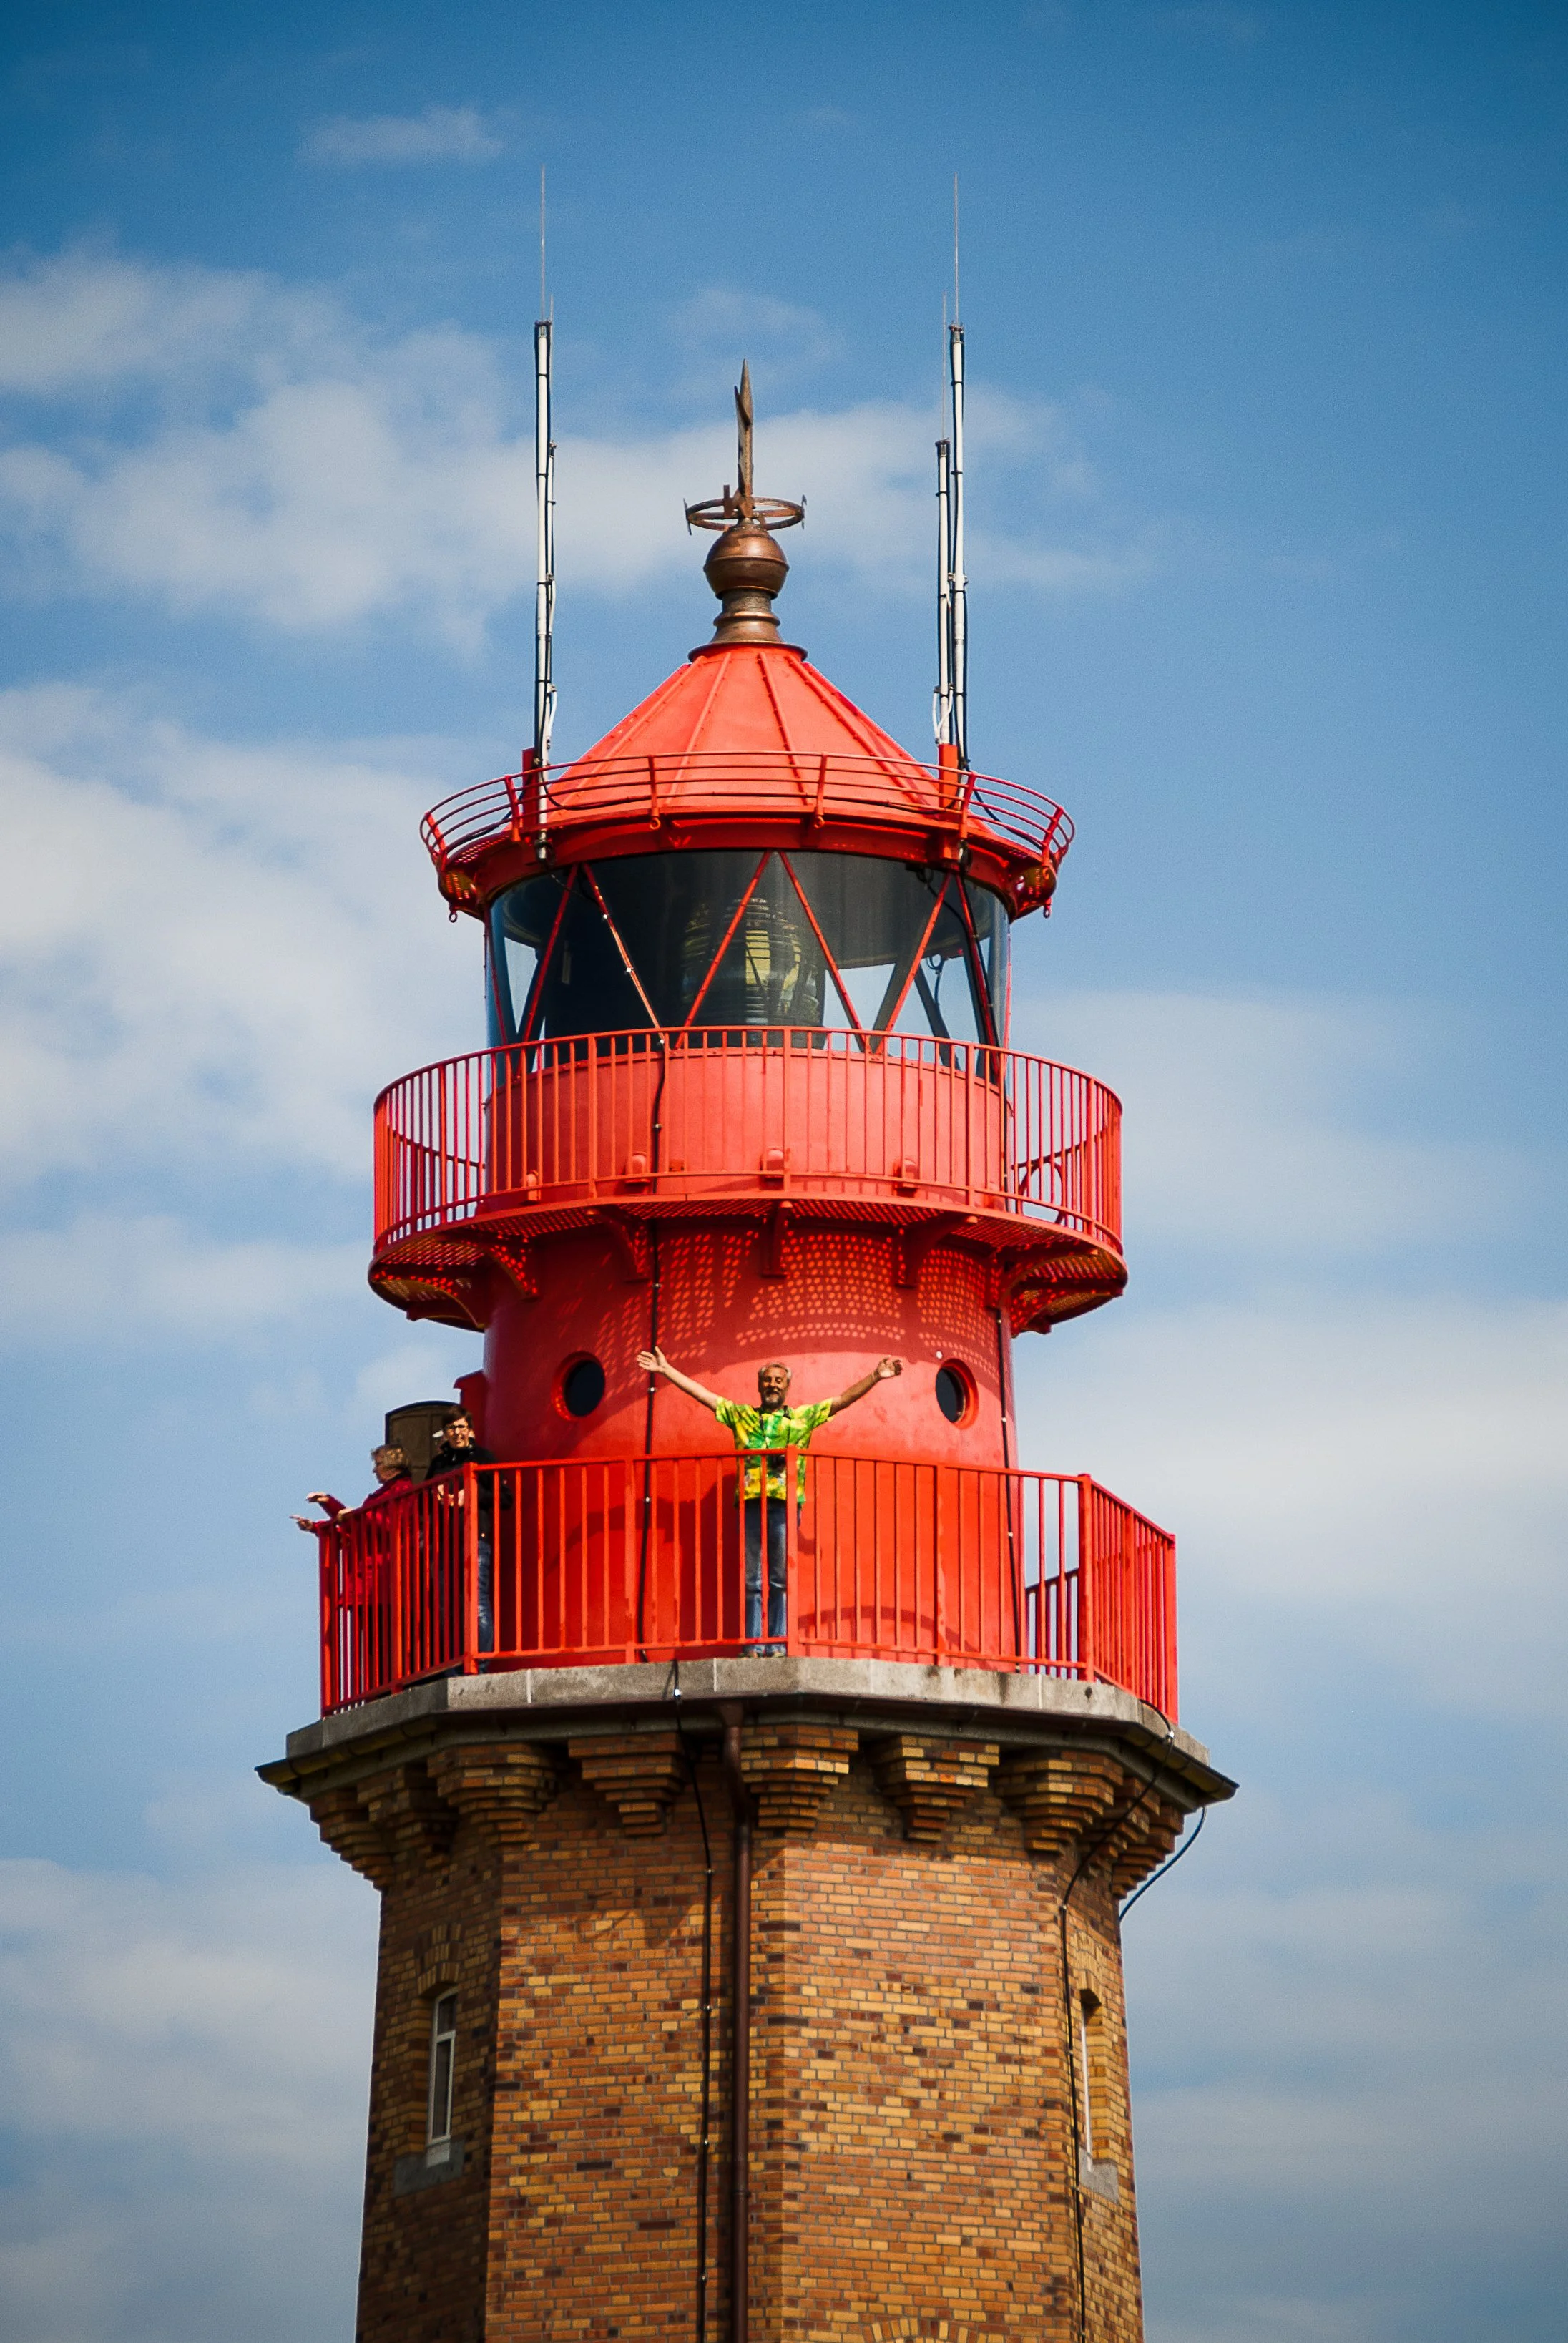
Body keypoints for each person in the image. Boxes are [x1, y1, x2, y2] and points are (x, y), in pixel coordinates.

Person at [635, 1349, 904, 1651]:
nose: (773, 1384)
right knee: (753, 1580)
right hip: (751, 1504)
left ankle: (777, 1643)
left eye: (778, 1380)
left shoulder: (802, 1417)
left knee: (779, 1579)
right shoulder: (741, 1416)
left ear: (787, 1387)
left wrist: (875, 1377)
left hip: (784, 1506)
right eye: (767, 1380)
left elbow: (841, 1401)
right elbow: (704, 1395)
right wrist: (667, 1369)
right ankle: (753, 1644)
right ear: (759, 1386)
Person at [426, 1410, 499, 1656]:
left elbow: (505, 1496)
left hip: (476, 1538)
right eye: (451, 1429)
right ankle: (455, 1664)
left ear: (468, 1429)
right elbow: (422, 1499)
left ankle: (480, 1664)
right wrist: (433, 1496)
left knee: (477, 1604)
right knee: (448, 1607)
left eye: (460, 1427)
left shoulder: (483, 1457)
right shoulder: (438, 1464)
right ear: (445, 1434)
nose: (456, 1433)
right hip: (444, 1542)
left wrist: (473, 1495)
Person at [293, 1444, 408, 1530]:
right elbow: (357, 1528)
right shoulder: (385, 1493)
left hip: (388, 1558)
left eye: (378, 1464)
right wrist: (315, 1525)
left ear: (393, 1466)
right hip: (374, 1559)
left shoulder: (404, 1490)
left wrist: (359, 1515)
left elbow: (393, 1526)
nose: (374, 1470)